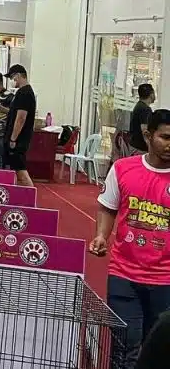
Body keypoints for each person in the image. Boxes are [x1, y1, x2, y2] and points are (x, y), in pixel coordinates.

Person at [89, 107, 170, 364]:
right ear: (148, 136)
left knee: (157, 353)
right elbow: (108, 207)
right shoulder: (123, 169)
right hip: (124, 275)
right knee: (125, 349)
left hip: (166, 280)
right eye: (165, 137)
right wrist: (101, 236)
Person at [3, 64, 36, 187]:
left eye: (12, 77)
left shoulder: (24, 93)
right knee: (16, 172)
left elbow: (21, 118)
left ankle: (30, 194)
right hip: (18, 138)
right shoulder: (23, 92)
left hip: (18, 140)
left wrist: (13, 138)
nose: (12, 81)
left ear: (18, 75)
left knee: (21, 171)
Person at [131, 83, 156, 154]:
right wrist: (150, 146)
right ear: (151, 94)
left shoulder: (139, 106)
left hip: (134, 145)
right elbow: (144, 130)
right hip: (140, 148)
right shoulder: (145, 109)